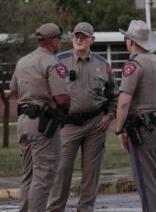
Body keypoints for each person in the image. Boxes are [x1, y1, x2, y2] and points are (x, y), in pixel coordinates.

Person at [47, 22, 118, 212]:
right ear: (72, 38)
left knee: (91, 172)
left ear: (91, 40)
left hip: (96, 124)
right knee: (62, 171)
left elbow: (114, 94)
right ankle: (55, 209)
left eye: (83, 36)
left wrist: (110, 116)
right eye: (76, 36)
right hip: (68, 125)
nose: (79, 39)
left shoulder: (102, 64)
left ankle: (86, 209)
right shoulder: (59, 61)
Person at [114, 20, 156, 211]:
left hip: (142, 130)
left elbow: (124, 102)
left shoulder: (134, 65)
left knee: (145, 182)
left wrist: (119, 130)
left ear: (131, 42)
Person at [10, 23, 71, 212]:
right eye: (60, 39)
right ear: (53, 41)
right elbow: (61, 98)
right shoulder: (52, 63)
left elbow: (13, 91)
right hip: (43, 124)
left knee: (29, 174)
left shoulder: (23, 61)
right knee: (44, 175)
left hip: (24, 121)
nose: (60, 43)